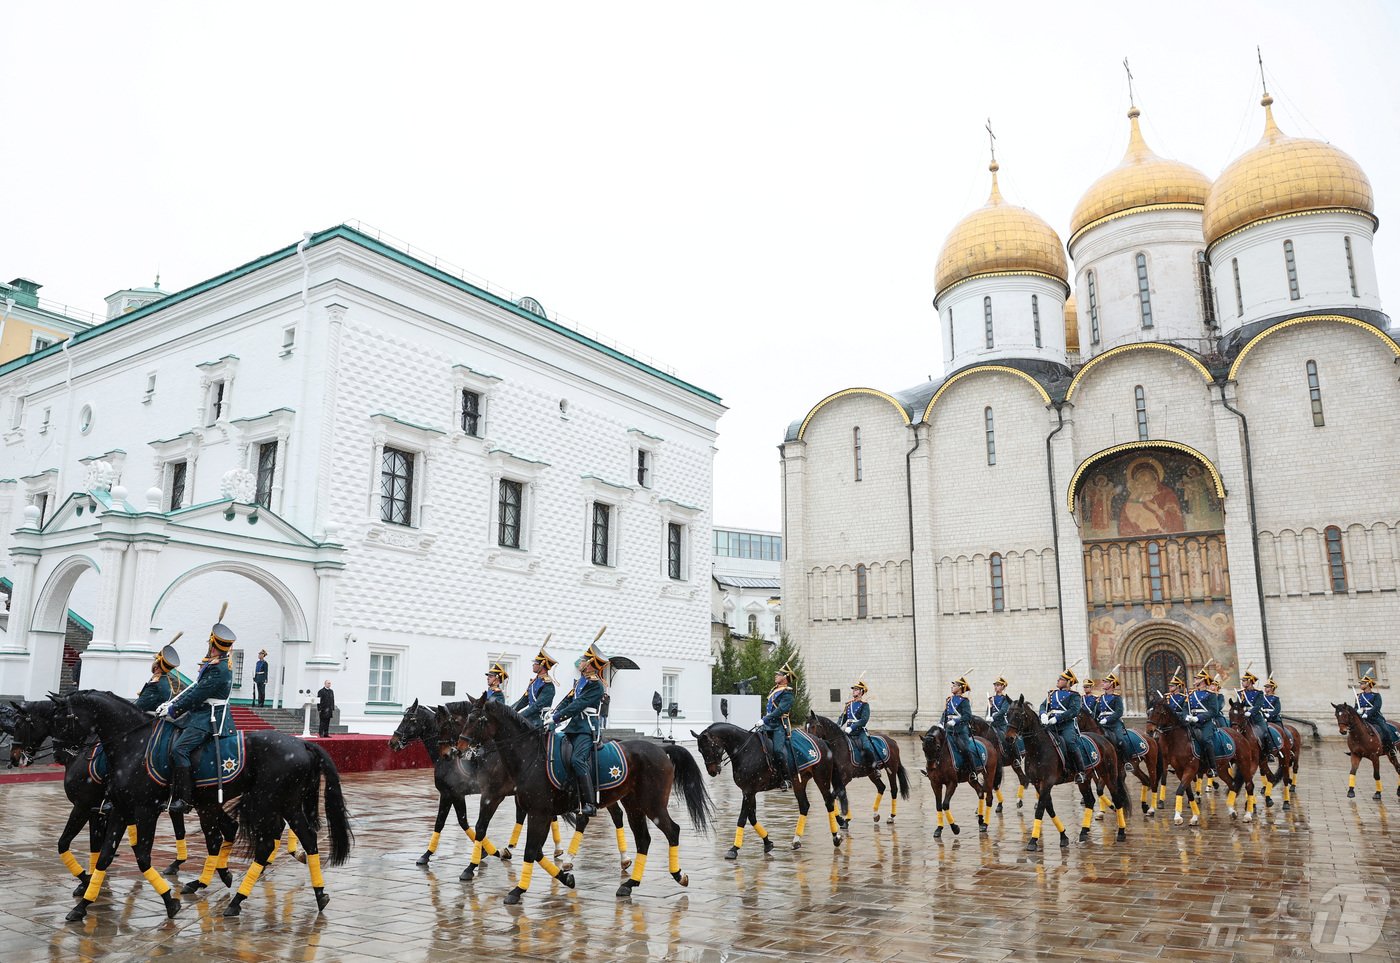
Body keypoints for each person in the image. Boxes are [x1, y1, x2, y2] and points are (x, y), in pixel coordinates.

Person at [160, 621, 237, 815]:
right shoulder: (216, 665)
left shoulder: (219, 669)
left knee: (180, 749)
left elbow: (197, 695)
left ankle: (184, 800)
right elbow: (194, 688)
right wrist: (171, 705)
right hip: (202, 713)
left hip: (210, 718)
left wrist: (173, 710)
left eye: (209, 645)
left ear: (213, 646)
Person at [553, 644, 607, 816]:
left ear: (590, 664)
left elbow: (578, 705)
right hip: (574, 726)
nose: (581, 662)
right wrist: (554, 712)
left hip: (586, 727)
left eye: (584, 660)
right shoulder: (581, 682)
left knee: (577, 760)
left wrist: (557, 718)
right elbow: (568, 700)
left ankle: (590, 803)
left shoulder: (596, 685)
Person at [1040, 669, 1085, 782]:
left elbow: (1074, 711)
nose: (1058, 680)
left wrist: (1058, 718)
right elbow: (1043, 705)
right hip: (1051, 724)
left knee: (1069, 742)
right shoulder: (1052, 693)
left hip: (1066, 725)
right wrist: (1043, 714)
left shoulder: (1074, 696)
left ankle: (1080, 771)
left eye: (1061, 679)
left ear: (1068, 682)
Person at [1176, 669, 1220, 777]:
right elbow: (1185, 708)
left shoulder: (1210, 694)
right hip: (1192, 721)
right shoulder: (1191, 694)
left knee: (1206, 739)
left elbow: (1214, 711)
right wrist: (1186, 716)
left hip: (1205, 722)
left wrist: (1199, 718)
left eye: (1197, 678)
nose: (1194, 680)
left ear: (1203, 681)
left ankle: (1213, 767)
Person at [761, 662, 796, 790]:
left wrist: (765, 719)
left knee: (777, 751)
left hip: (779, 726)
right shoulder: (774, 690)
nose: (776, 676)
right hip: (768, 724)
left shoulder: (787, 693)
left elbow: (780, 710)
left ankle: (786, 779)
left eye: (779, 674)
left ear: (785, 678)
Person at [512, 649, 557, 729]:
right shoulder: (534, 682)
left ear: (542, 665)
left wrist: (519, 716)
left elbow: (537, 706)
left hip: (540, 720)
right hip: (531, 718)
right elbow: (523, 701)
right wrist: (508, 711)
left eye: (535, 663)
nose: (533, 665)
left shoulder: (548, 684)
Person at [1096, 674, 1132, 772]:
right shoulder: (1100, 698)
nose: (1103, 683)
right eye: (1104, 682)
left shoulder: (1117, 697)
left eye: (1106, 682)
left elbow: (1119, 712)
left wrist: (1107, 719)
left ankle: (1126, 761)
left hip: (1114, 723)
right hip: (1102, 723)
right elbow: (1097, 712)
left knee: (1120, 740)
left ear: (1111, 684)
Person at [1238, 672, 1278, 756]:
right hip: (1244, 717)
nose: (1242, 682)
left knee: (1265, 732)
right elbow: (1238, 705)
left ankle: (1268, 753)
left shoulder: (1259, 693)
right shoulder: (1240, 693)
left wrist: (1250, 712)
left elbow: (1258, 706)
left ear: (1250, 681)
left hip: (1256, 716)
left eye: (1244, 681)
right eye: (1242, 681)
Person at [1357, 675, 1398, 753]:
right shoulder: (1359, 696)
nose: (1360, 685)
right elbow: (1355, 707)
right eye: (1360, 683)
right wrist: (1357, 710)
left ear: (1368, 684)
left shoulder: (1376, 695)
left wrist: (1368, 713)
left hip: (1375, 717)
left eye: (1362, 683)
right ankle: (1355, 748)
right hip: (1362, 717)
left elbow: (1377, 707)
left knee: (1385, 730)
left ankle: (1391, 747)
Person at [944, 676, 975, 778]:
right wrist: (940, 723)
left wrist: (956, 720)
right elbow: (945, 714)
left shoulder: (964, 701)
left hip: (960, 732)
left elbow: (967, 716)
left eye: (955, 685)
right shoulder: (949, 700)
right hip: (948, 731)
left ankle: (972, 771)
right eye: (952, 685)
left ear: (961, 688)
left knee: (965, 749)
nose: (952, 687)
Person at [841, 677, 875, 767]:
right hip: (848, 731)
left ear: (861, 692)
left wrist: (851, 727)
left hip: (859, 731)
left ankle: (875, 768)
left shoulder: (864, 705)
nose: (854, 691)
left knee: (867, 747)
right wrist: (836, 726)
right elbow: (842, 718)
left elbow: (864, 720)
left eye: (856, 689)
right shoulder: (849, 704)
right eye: (854, 689)